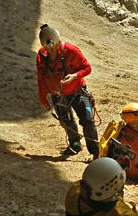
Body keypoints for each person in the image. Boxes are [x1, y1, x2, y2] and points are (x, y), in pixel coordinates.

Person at [36, 24, 99, 158]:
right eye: (49, 50)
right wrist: (43, 97)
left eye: (55, 49)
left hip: (77, 91)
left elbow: (87, 68)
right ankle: (75, 145)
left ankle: (96, 152)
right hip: (57, 95)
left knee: (88, 121)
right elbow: (41, 77)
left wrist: (75, 76)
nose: (52, 52)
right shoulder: (42, 55)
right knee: (66, 122)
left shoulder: (71, 51)